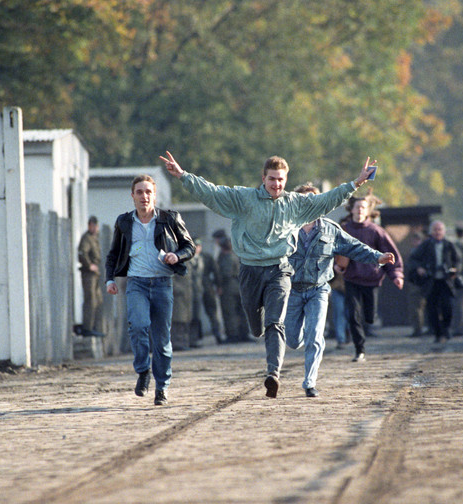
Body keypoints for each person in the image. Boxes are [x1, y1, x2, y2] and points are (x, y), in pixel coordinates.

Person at [160, 151, 376, 398]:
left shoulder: (294, 203)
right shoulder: (244, 199)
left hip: (280, 269)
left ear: (286, 179)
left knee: (275, 322)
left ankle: (273, 374)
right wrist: (183, 176)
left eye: (281, 179)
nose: (277, 184)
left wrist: (356, 182)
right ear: (263, 178)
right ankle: (259, 327)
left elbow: (327, 200)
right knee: (257, 326)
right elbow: (212, 192)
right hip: (250, 270)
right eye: (272, 179)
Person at [285, 183, 394, 397]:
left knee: (315, 336)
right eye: (303, 200)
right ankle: (301, 333)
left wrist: (377, 257)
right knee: (292, 339)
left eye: (313, 200)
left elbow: (354, 247)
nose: (308, 204)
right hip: (293, 291)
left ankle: (309, 382)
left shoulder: (330, 229)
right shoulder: (285, 228)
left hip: (318, 290)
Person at [105, 174, 195, 405]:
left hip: (163, 284)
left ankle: (162, 388)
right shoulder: (124, 222)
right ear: (132, 196)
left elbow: (189, 246)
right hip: (137, 284)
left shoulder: (169, 218)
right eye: (139, 192)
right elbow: (113, 254)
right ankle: (143, 370)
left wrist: (177, 255)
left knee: (162, 339)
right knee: (138, 325)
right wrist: (109, 279)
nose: (144, 196)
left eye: (148, 192)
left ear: (154, 195)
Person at [341, 196, 404, 362]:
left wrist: (396, 275)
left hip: (372, 279)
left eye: (363, 207)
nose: (360, 210)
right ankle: (359, 349)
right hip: (351, 278)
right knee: (353, 315)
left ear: (368, 210)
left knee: (369, 317)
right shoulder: (344, 230)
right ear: (351, 209)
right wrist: (337, 265)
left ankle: (367, 322)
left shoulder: (376, 231)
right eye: (357, 207)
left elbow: (391, 255)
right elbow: (333, 251)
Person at [407, 221, 461, 344]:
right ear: (431, 232)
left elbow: (458, 260)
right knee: (432, 309)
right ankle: (437, 333)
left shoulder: (449, 245)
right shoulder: (425, 245)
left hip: (446, 281)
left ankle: (446, 329)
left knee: (448, 307)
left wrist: (455, 269)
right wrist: (419, 268)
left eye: (440, 229)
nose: (437, 232)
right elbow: (413, 259)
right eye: (435, 230)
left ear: (444, 231)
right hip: (431, 282)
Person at [216, 236, 250, 343]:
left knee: (230, 312)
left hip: (228, 288)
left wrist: (219, 285)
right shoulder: (238, 255)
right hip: (240, 287)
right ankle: (244, 334)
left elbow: (225, 274)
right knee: (242, 312)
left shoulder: (226, 257)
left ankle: (233, 335)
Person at [77, 216, 104, 337]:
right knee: (90, 299)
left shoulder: (94, 238)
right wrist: (89, 265)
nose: (95, 228)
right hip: (88, 274)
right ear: (89, 226)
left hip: (95, 274)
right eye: (92, 225)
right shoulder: (87, 238)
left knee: (98, 300)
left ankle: (93, 326)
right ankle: (87, 328)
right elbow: (82, 253)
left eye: (96, 226)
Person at [405, 231, 428, 337]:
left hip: (420, 283)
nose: (415, 242)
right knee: (415, 307)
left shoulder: (421, 252)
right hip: (414, 282)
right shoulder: (414, 252)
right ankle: (417, 328)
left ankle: (419, 329)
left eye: (417, 240)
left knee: (418, 307)